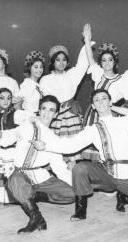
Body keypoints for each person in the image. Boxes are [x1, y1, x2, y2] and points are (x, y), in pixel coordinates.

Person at [32, 89, 128, 220]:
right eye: (97, 100)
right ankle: (81, 209)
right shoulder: (93, 129)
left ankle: (126, 197)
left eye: (104, 99)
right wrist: (46, 145)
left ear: (110, 102)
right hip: (106, 174)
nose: (101, 102)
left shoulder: (125, 121)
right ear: (93, 106)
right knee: (80, 168)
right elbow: (69, 145)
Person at [0, 95, 74, 234]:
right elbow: (11, 135)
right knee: (15, 180)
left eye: (51, 110)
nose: (46, 113)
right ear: (39, 110)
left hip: (40, 176)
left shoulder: (53, 139)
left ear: (56, 113)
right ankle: (36, 217)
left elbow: (59, 167)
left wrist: (76, 185)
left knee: (70, 194)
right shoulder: (28, 125)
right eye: (44, 109)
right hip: (21, 173)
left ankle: (31, 196)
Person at [39, 26, 90, 165]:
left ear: (67, 62)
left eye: (64, 59)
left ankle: (72, 180)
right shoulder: (45, 80)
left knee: (72, 152)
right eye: (57, 59)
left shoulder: (72, 75)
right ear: (52, 62)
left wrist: (87, 42)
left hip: (70, 117)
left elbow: (83, 63)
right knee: (54, 153)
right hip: (54, 116)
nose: (61, 63)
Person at [81, 23, 122, 161]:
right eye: (104, 60)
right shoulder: (98, 73)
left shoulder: (121, 80)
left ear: (115, 62)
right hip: (93, 114)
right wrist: (87, 39)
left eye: (110, 60)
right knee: (93, 148)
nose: (107, 63)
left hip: (111, 115)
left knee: (109, 146)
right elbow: (89, 57)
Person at [16, 50, 46, 114]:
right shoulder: (27, 84)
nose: (39, 70)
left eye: (41, 67)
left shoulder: (38, 85)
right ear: (29, 68)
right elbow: (17, 105)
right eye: (36, 67)